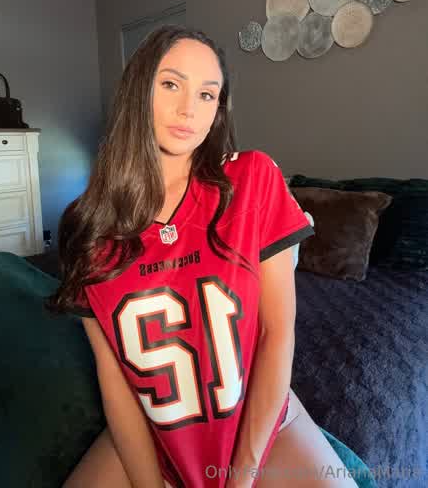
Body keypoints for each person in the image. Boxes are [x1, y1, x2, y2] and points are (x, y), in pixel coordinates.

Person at [45, 25, 359, 488]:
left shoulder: (253, 179)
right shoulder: (87, 226)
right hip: (153, 428)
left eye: (207, 94)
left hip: (258, 420)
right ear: (138, 90)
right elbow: (114, 379)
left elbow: (276, 332)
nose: (189, 109)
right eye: (171, 84)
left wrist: (241, 476)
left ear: (218, 109)